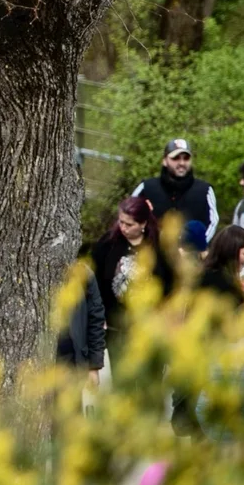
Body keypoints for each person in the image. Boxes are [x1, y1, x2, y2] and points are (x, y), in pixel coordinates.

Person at [89, 196, 176, 345]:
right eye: (121, 222)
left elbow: (171, 282)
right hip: (115, 326)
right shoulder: (108, 243)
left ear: (143, 223)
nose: (123, 228)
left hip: (150, 326)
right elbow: (94, 281)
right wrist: (97, 317)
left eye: (129, 224)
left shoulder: (160, 246)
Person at [132, 138, 218, 247]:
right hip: (149, 256)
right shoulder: (146, 188)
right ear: (164, 160)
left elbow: (213, 222)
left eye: (186, 158)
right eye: (176, 158)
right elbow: (129, 215)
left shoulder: (205, 191)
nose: (181, 163)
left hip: (189, 259)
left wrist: (195, 247)